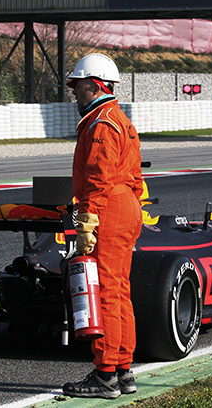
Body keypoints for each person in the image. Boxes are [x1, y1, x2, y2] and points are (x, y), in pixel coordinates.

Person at [62, 53, 143, 399]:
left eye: (78, 86)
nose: (74, 93)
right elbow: (136, 179)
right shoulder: (119, 119)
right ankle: (123, 371)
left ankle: (106, 375)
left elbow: (97, 179)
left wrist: (87, 223)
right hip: (126, 205)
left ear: (94, 86)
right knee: (120, 291)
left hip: (107, 207)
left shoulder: (102, 124)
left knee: (105, 292)